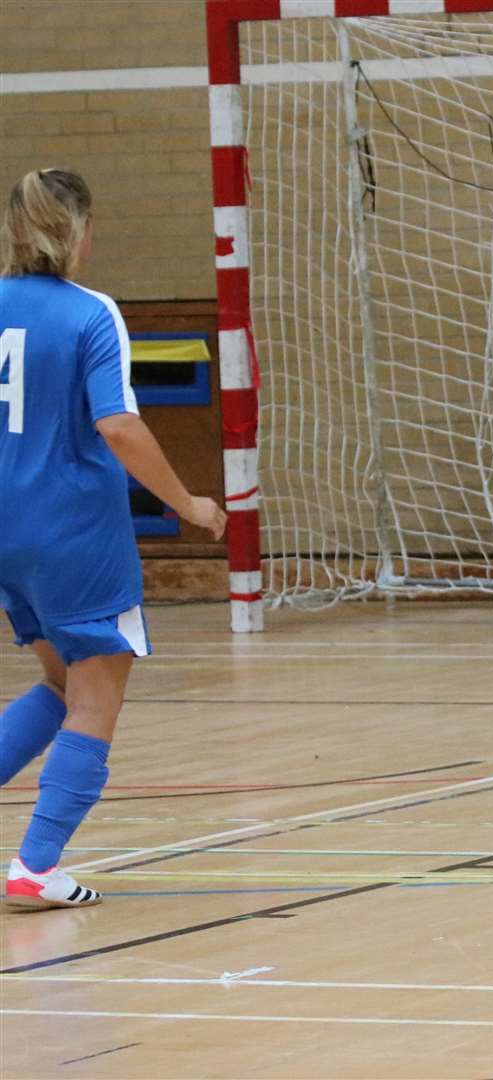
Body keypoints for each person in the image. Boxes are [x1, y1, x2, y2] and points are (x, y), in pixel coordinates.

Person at [0, 168, 227, 909]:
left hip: (8, 533)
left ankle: (37, 862)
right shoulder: (91, 313)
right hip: (74, 534)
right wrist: (189, 504)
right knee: (97, 698)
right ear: (78, 232)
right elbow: (121, 425)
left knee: (64, 683)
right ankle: (36, 865)